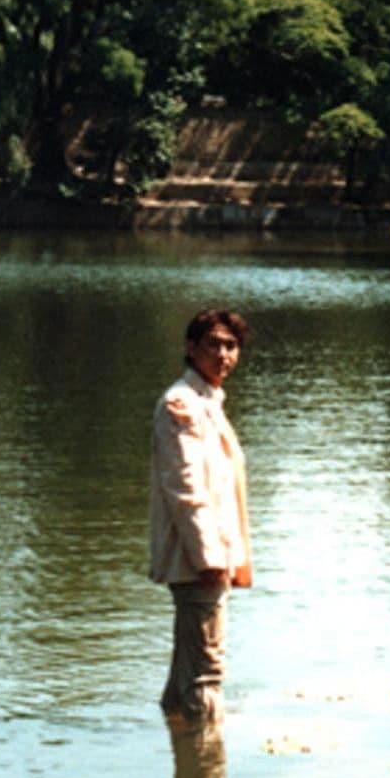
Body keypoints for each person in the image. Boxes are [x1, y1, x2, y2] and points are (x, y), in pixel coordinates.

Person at [149, 309, 252, 726]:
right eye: (213, 344)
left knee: (184, 680)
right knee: (206, 678)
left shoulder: (208, 401)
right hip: (200, 562)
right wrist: (209, 559)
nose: (223, 354)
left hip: (211, 555)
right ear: (191, 349)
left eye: (231, 346)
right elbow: (185, 489)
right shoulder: (182, 405)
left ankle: (180, 739)